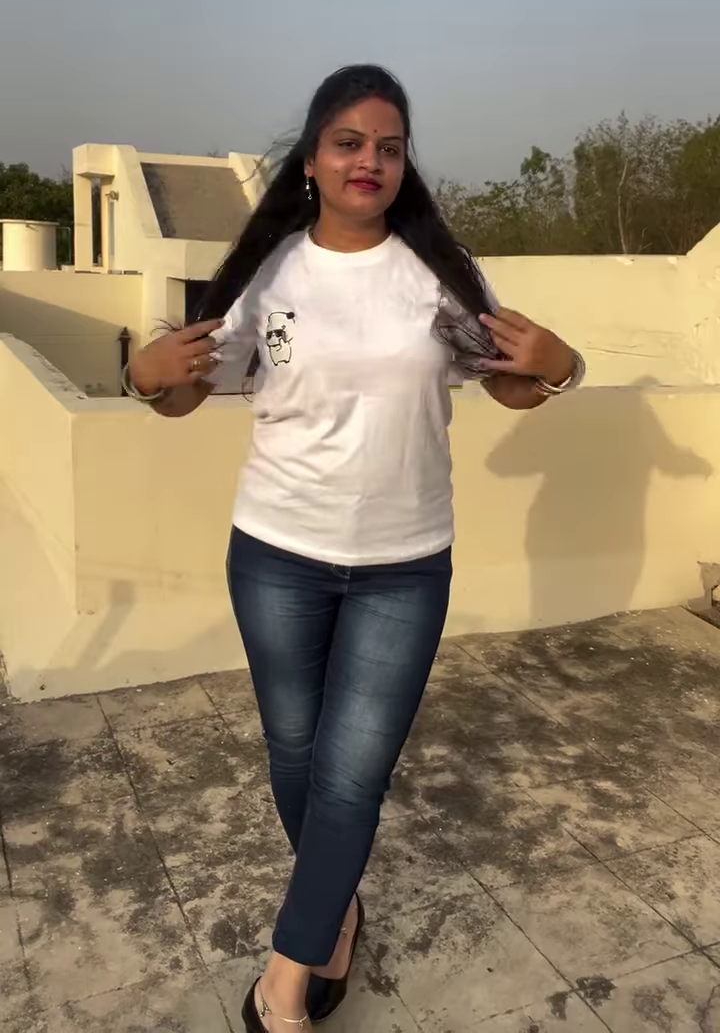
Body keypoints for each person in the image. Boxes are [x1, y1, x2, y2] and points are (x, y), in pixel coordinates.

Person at [125, 65, 584, 1031]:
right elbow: (185, 393)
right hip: (276, 554)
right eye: (348, 143)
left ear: (405, 164)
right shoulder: (269, 273)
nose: (368, 160)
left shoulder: (439, 272)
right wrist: (143, 374)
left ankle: (285, 981)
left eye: (389, 146)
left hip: (404, 567)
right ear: (311, 159)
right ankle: (336, 917)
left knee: (351, 776)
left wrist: (561, 367)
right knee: (296, 756)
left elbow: (508, 380)